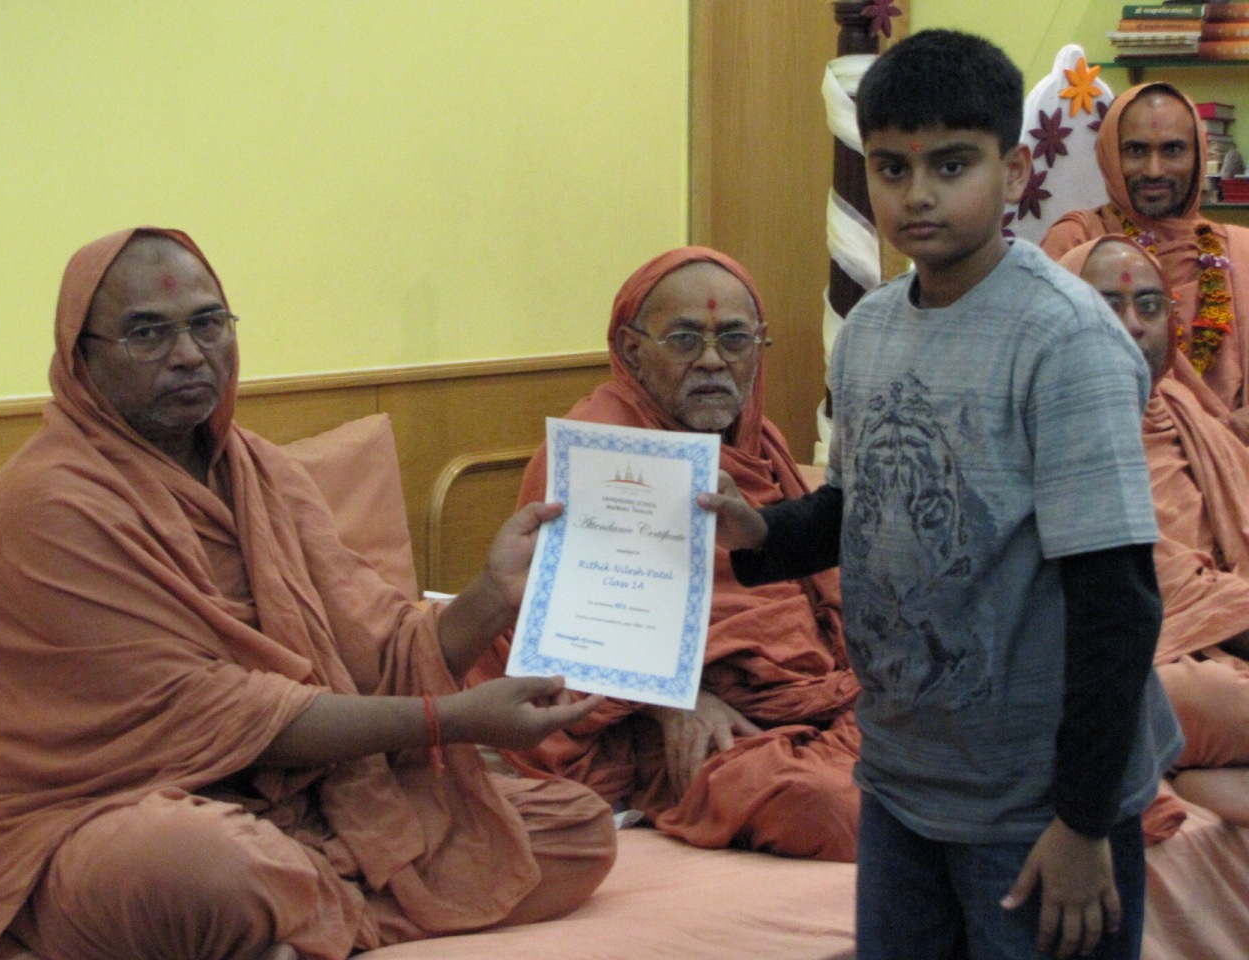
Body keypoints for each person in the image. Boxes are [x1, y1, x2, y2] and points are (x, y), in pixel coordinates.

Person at [0, 227, 616, 960]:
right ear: (80, 357)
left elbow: (379, 651)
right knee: (201, 871)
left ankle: (294, 919)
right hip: (105, 813)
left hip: (305, 804)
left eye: (208, 323)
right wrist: (449, 719)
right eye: (147, 333)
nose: (189, 353)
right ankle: (289, 905)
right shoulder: (48, 502)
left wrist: (491, 595)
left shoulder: (261, 472)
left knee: (579, 829)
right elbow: (215, 713)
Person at [698, 31, 1182, 960]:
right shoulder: (872, 330)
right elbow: (862, 506)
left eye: (950, 165)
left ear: (1013, 171)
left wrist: (1083, 822)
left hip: (1038, 807)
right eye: (891, 167)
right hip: (903, 784)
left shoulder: (1066, 340)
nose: (916, 194)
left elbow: (1117, 599)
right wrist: (762, 528)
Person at [470, 246, 862, 861]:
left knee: (953, 758)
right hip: (675, 720)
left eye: (735, 339)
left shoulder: (762, 442)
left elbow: (817, 587)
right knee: (831, 807)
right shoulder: (596, 447)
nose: (713, 360)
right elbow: (577, 633)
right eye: (684, 339)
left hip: (816, 695)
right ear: (632, 351)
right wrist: (674, 703)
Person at [1059, 234, 1249, 828]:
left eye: (1148, 305)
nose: (1133, 325)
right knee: (1190, 698)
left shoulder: (1188, 411)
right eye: (1107, 305)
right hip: (1138, 660)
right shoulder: (1054, 428)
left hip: (1224, 632)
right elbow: (1156, 587)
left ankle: (1204, 776)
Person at [1041, 82, 1249, 441]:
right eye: (1136, 150)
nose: (1154, 170)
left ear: (1199, 156)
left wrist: (1218, 440)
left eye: (1173, 150)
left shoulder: (1240, 251)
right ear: (1110, 154)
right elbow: (1047, 384)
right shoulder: (1077, 242)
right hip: (1110, 449)